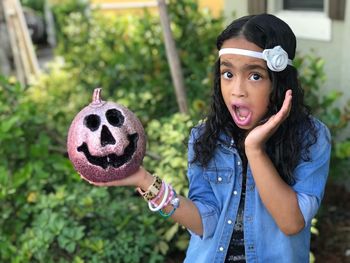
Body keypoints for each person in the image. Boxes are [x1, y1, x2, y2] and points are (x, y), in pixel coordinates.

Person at [87, 14, 331, 263]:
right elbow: (205, 223)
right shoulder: (205, 137)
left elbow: (291, 223)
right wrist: (143, 180)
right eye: (228, 74)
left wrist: (254, 150)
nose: (237, 90)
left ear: (278, 82)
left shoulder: (311, 138)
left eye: (254, 76)